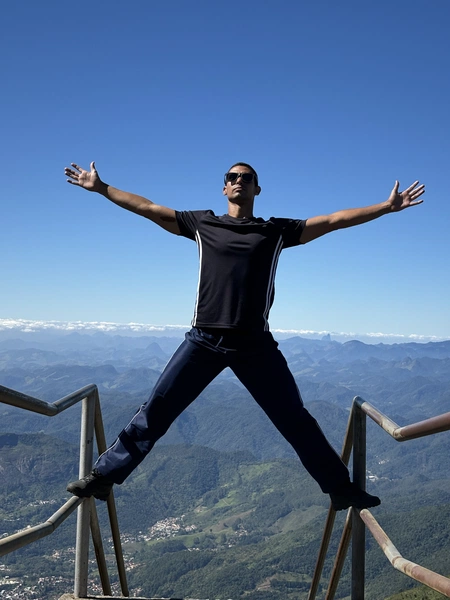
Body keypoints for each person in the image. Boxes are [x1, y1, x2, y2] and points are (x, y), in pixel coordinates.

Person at [65, 160, 424, 510]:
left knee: (295, 419)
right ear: (224, 187)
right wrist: (101, 188)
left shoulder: (275, 231)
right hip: (203, 340)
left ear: (257, 188)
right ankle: (103, 477)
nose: (239, 180)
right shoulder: (202, 223)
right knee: (157, 410)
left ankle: (340, 489)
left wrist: (385, 208)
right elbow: (148, 207)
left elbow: (331, 221)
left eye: (246, 177)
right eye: (232, 176)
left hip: (255, 344)